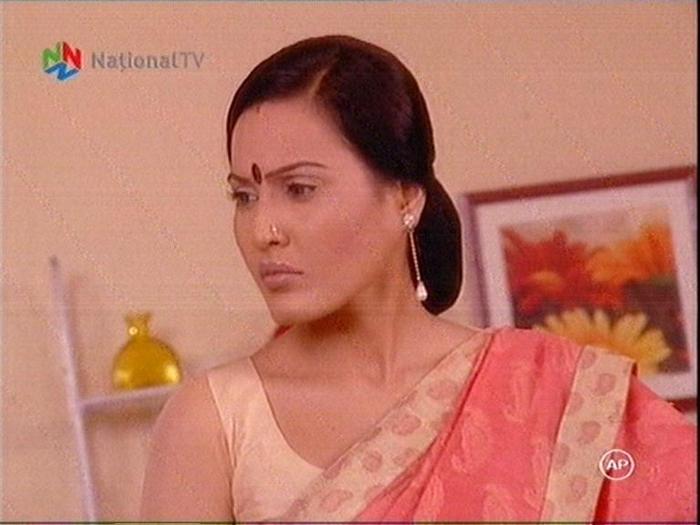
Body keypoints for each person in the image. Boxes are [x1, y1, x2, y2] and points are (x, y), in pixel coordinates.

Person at [139, 35, 696, 522]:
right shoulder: (215, 421)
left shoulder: (556, 392)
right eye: (244, 196)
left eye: (300, 189)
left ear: (406, 196)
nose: (263, 230)